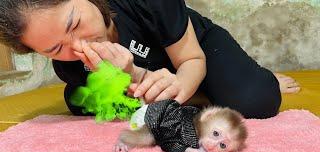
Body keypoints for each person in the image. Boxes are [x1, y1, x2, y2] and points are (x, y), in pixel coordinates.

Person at [0, 0, 297, 118]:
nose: (78, 46)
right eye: (54, 49)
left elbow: (192, 58)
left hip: (192, 51)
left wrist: (181, 83)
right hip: (144, 76)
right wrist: (131, 74)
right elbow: (135, 91)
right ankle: (208, 93)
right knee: (81, 102)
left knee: (257, 100)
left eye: (74, 24)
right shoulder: (70, 64)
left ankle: (234, 80)